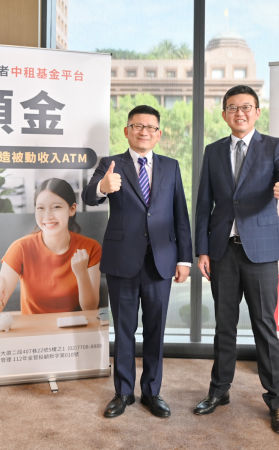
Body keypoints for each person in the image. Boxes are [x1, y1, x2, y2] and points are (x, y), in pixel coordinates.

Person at [194, 85, 279, 434]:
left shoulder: (274, 146)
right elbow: (203, 204)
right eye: (232, 107)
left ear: (257, 112)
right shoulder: (213, 151)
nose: (239, 113)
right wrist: (202, 249)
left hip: (261, 252)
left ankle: (277, 400)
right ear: (224, 114)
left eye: (246, 107)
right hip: (222, 251)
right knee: (223, 325)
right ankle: (219, 390)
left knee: (264, 327)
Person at [82, 105, 192, 419]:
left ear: (158, 134)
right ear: (127, 131)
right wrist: (102, 187)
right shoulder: (110, 164)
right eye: (137, 126)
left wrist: (185, 259)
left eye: (150, 127)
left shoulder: (171, 166)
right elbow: (89, 196)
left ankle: (152, 392)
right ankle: (123, 392)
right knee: (124, 329)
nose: (144, 132)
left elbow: (180, 215)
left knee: (156, 330)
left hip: (161, 261)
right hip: (122, 261)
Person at [0, 178, 101, 316]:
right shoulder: (20, 248)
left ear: (72, 209)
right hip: (34, 328)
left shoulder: (91, 248)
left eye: (56, 207)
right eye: (40, 208)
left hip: (75, 328)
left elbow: (90, 308)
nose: (48, 216)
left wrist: (82, 274)